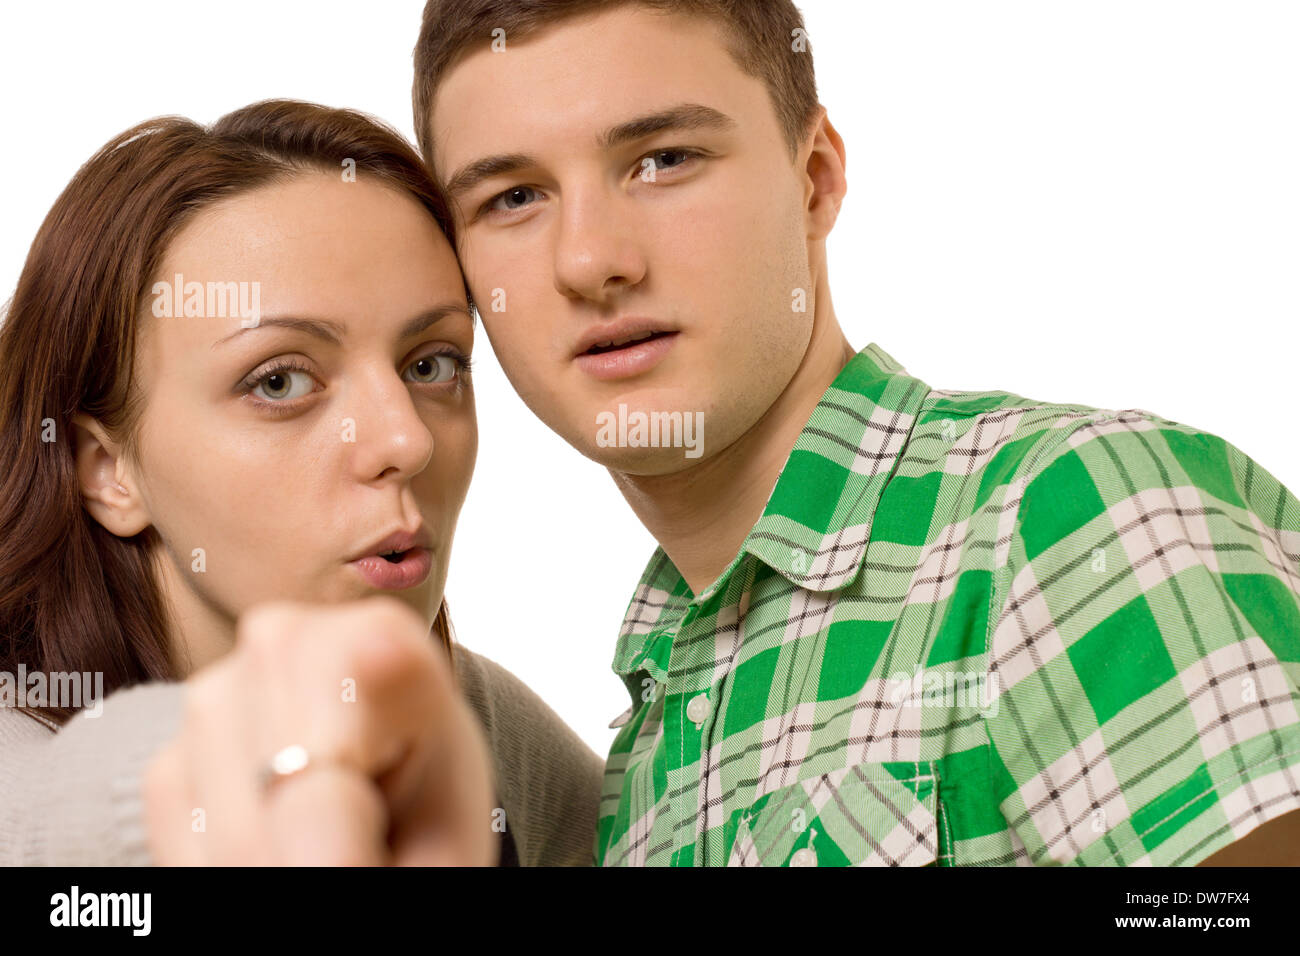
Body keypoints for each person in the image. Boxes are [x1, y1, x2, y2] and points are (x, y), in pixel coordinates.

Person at [412, 0, 1300, 865]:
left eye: (664, 158)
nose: (590, 261)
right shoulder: (643, 757)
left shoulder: (1072, 516)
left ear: (815, 177)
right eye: (514, 196)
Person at [0, 99, 601, 866]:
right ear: (108, 471)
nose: (405, 440)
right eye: (279, 381)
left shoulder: (480, 732)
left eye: (431, 364)